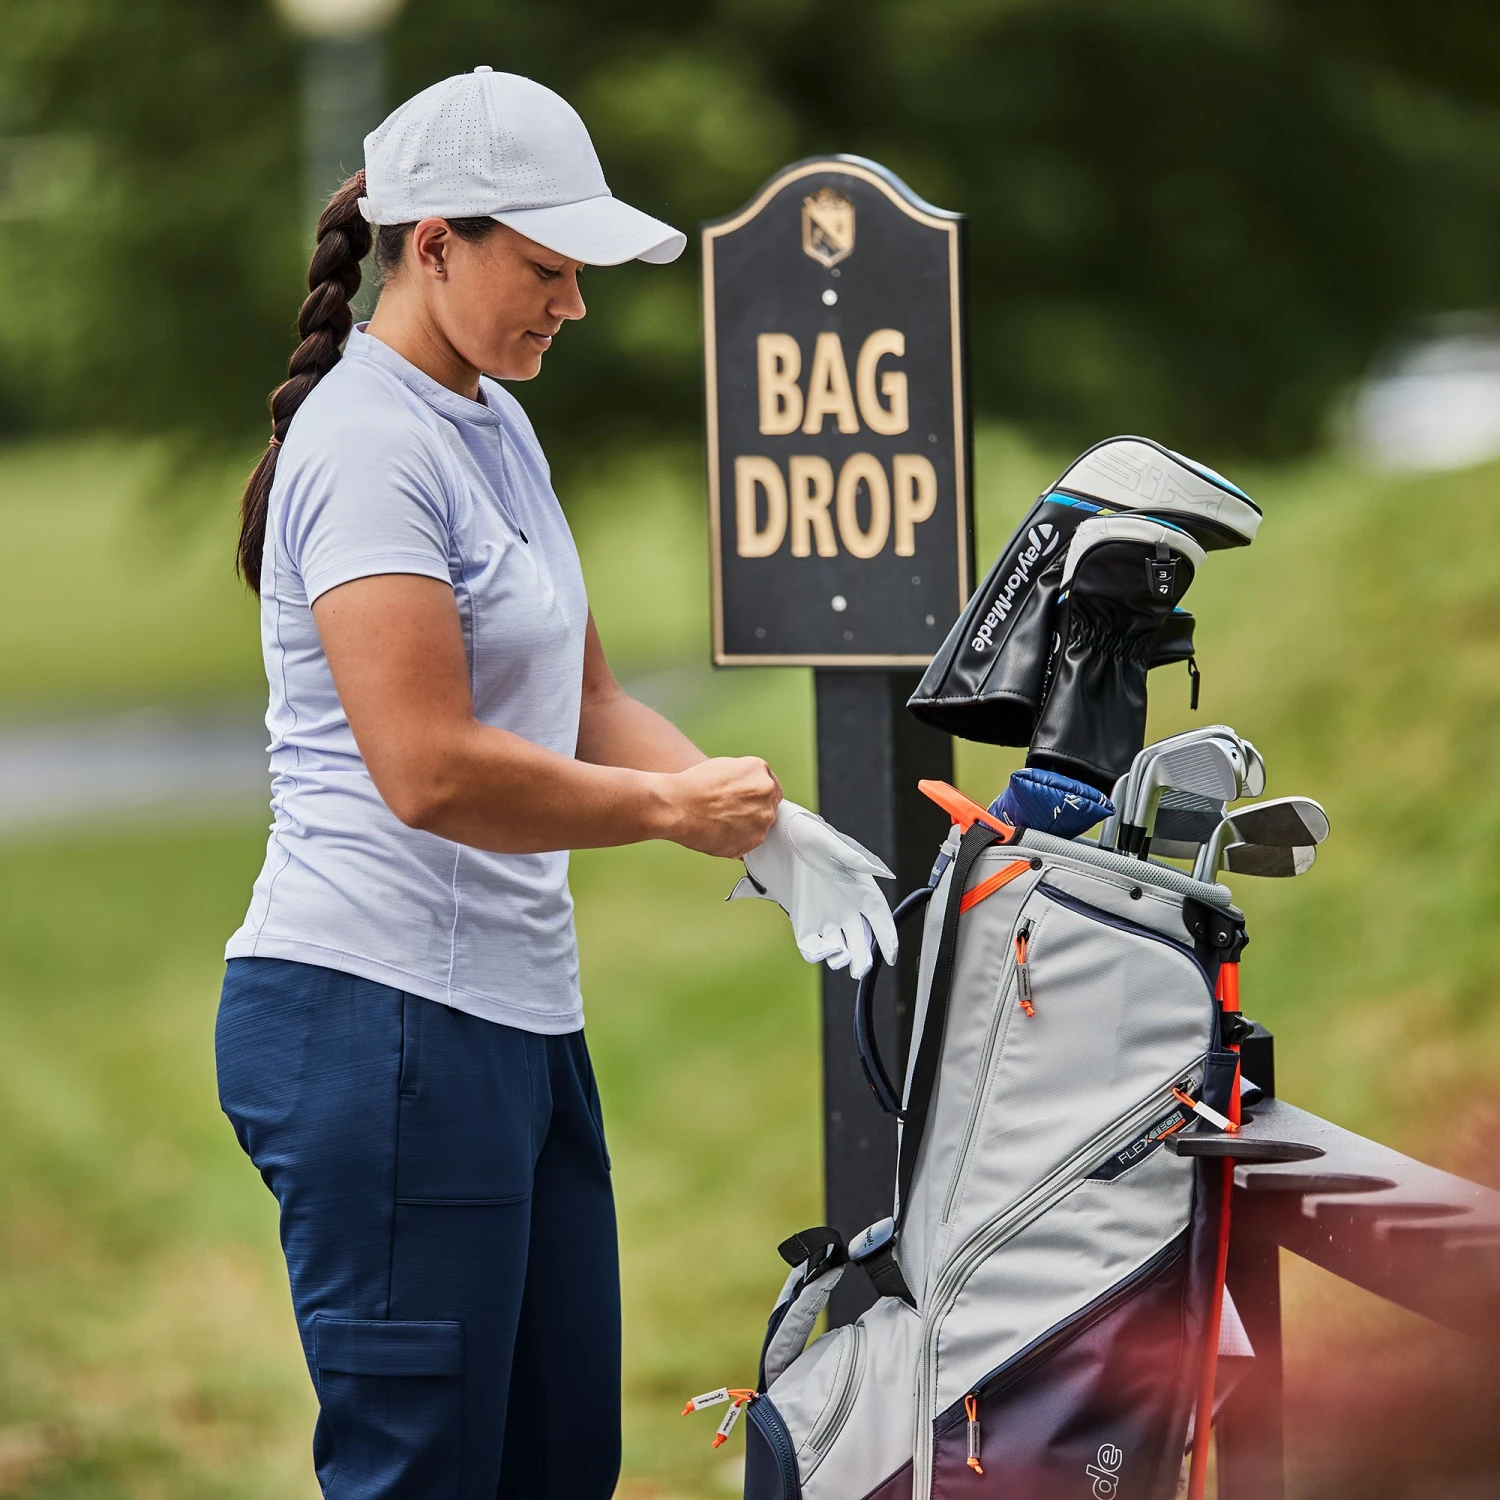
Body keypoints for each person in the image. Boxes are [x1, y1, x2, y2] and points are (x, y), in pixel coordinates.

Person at [215, 68, 893, 1499]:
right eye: (546, 268)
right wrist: (674, 814)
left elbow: (585, 704)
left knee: (559, 1459)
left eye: (579, 273)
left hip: (514, 1023)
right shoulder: (367, 441)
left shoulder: (494, 423)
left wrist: (763, 827)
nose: (572, 306)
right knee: (432, 1474)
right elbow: (431, 768)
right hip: (376, 1020)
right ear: (436, 241)